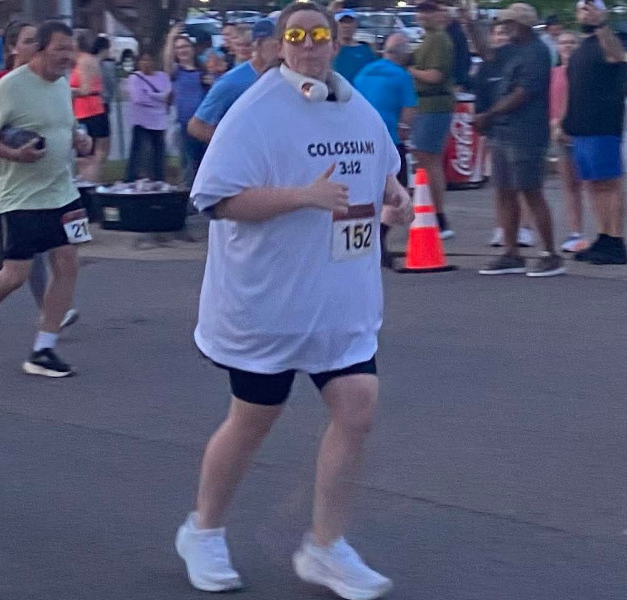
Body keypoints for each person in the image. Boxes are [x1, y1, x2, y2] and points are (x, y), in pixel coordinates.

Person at [174, 4, 412, 598]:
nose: (308, 45)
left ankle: (326, 547)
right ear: (280, 44)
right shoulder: (254, 112)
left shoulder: (354, 105)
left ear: (335, 42)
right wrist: (302, 197)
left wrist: (395, 194)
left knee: (357, 407)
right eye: (297, 36)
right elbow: (217, 199)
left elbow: (381, 166)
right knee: (254, 419)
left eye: (318, 35)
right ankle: (203, 531)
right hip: (268, 305)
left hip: (339, 300)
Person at [0, 20, 94, 378]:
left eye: (70, 49)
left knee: (68, 264)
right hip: (19, 197)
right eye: (60, 48)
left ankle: (43, 350)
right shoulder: (10, 87)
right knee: (15, 275)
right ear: (40, 49)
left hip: (63, 192)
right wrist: (14, 154)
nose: (67, 56)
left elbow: (66, 126)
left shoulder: (62, 84)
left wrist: (80, 140)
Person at [473, 5, 563, 277]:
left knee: (530, 191)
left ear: (522, 25)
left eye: (508, 24)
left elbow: (522, 93)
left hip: (526, 133)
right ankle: (511, 252)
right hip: (504, 130)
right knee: (503, 191)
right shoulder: (512, 50)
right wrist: (468, 24)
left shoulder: (537, 52)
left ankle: (550, 254)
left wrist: (489, 115)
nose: (504, 29)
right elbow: (487, 53)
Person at [562, 0, 627, 265]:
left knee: (608, 183)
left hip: (603, 125)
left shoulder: (607, 41)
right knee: (592, 184)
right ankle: (603, 236)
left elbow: (617, 56)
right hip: (581, 128)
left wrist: (601, 23)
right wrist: (564, 122)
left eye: (589, 9)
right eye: (581, 9)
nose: (585, 13)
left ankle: (616, 241)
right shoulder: (581, 49)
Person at [354, 33, 419, 268]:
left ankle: (368, 241)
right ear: (402, 54)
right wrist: (405, 130)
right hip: (390, 141)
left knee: (368, 193)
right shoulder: (402, 76)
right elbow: (410, 109)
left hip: (361, 142)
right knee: (397, 193)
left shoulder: (364, 72)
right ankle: (379, 240)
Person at [188, 18, 279, 144]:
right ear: (259, 44)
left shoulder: (283, 76)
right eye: (278, 43)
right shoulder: (232, 81)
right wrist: (237, 146)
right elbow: (197, 126)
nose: (283, 49)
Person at [409, 1, 456, 239]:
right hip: (427, 105)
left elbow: (435, 76)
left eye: (428, 11)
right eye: (421, 11)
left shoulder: (438, 39)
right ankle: (431, 213)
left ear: (439, 14)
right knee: (427, 160)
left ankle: (438, 216)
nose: (423, 15)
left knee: (429, 160)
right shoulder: (426, 39)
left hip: (434, 104)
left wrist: (410, 70)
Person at [550, 30, 587, 253]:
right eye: (563, 42)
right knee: (569, 185)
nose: (567, 46)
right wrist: (554, 126)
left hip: (581, 133)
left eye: (572, 42)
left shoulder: (585, 73)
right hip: (559, 133)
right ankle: (576, 232)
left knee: (591, 184)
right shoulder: (553, 74)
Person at [163, 27, 207, 184]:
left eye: (185, 46)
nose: (182, 50)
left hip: (205, 122)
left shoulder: (203, 71)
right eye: (178, 48)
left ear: (192, 49)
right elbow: (167, 61)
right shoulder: (176, 72)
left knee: (205, 162)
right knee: (189, 163)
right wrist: (171, 37)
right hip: (186, 124)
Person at [124, 51, 172, 182]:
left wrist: (150, 94)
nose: (146, 63)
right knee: (138, 152)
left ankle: (159, 180)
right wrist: (158, 100)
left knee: (158, 154)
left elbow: (167, 94)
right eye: (143, 60)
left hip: (159, 122)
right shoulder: (134, 78)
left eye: (148, 60)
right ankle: (131, 180)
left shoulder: (163, 77)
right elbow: (138, 98)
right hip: (141, 121)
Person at [71, 35, 110, 183]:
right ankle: (91, 181)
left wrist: (69, 91)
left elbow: (86, 89)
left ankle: (90, 183)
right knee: (92, 152)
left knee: (87, 153)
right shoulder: (84, 60)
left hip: (88, 111)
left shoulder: (84, 61)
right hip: (89, 110)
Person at [332, 10, 377, 83]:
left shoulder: (365, 50)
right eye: (342, 22)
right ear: (336, 25)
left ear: (355, 25)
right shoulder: (329, 50)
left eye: (349, 22)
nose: (346, 26)